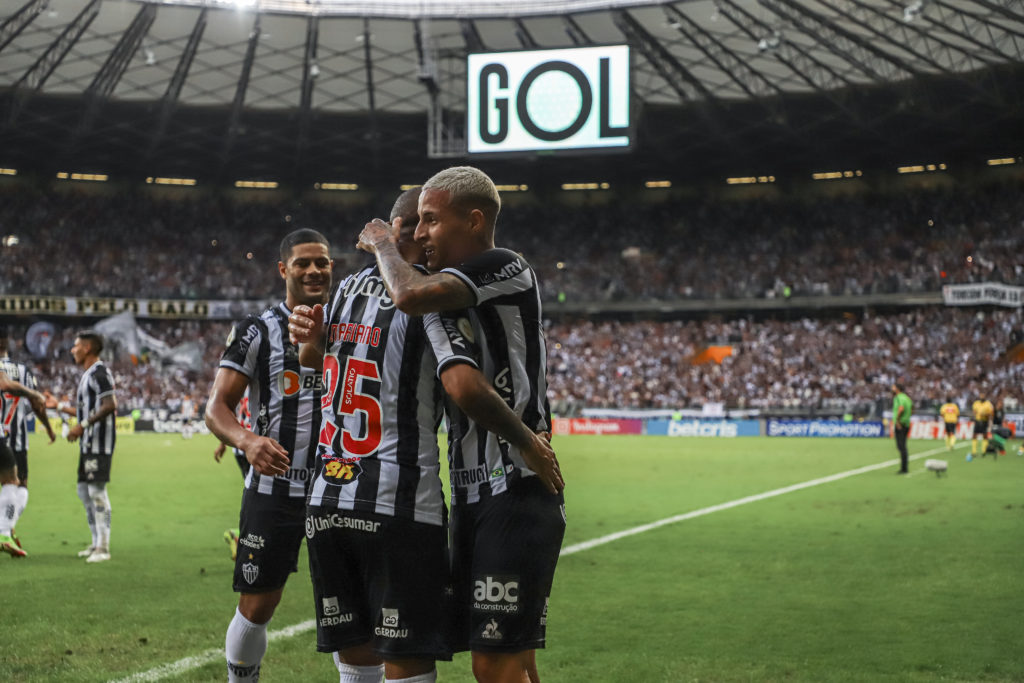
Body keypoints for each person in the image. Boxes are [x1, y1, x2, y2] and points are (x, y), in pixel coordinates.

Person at [356, 166, 565, 683]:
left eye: (430, 220)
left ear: (473, 222)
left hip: (515, 488)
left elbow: (407, 298)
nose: (421, 233)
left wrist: (385, 241)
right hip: (472, 496)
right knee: (512, 661)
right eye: (417, 222)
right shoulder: (448, 297)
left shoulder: (504, 266)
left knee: (494, 664)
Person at [204, 228, 332, 683]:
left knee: (349, 609)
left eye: (322, 262)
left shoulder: (348, 326)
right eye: (303, 262)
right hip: (274, 492)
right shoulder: (258, 330)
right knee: (258, 604)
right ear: (283, 269)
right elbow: (216, 406)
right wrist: (247, 441)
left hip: (340, 491)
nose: (314, 270)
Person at [57, 331, 118, 563]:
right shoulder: (88, 375)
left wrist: (81, 426)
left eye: (76, 346)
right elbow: (86, 410)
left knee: (97, 492)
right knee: (84, 491)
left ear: (88, 348)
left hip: (98, 444)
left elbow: (110, 404)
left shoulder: (100, 373)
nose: (73, 350)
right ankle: (95, 543)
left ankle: (104, 547)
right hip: (88, 444)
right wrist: (61, 408)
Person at [0, 331, 57, 554]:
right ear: (9, 344)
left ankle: (5, 528)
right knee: (18, 486)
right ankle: (5, 528)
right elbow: (36, 404)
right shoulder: (21, 370)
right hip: (17, 439)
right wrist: (49, 428)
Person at [214, 392, 252, 560]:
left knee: (255, 492)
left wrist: (223, 442)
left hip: (243, 444)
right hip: (253, 444)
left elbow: (231, 407)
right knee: (262, 494)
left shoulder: (243, 373)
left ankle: (246, 536)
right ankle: (242, 536)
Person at [969, 392, 994, 461]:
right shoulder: (976, 403)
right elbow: (974, 412)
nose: (982, 396)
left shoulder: (988, 404)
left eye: (983, 395)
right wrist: (976, 413)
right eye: (981, 395)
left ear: (985, 396)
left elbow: (991, 413)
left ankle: (984, 451)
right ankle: (974, 451)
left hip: (984, 421)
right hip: (977, 421)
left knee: (985, 435)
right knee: (974, 435)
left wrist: (985, 414)